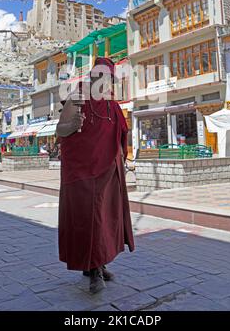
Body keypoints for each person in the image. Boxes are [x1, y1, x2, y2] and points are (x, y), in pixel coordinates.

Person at [56, 57, 134, 294]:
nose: (106, 81)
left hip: (108, 172)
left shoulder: (112, 105)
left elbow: (121, 138)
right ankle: (93, 269)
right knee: (89, 221)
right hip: (81, 173)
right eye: (101, 76)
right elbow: (60, 129)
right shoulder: (78, 96)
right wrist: (71, 125)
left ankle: (97, 265)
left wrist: (123, 162)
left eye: (109, 78)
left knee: (103, 220)